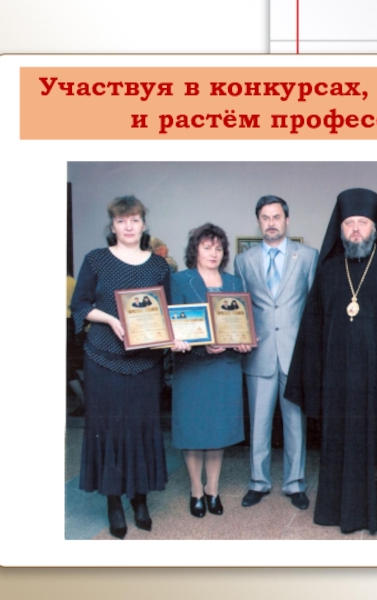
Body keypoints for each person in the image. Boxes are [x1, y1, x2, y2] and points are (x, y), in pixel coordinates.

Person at [285, 188, 377, 534]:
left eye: (362, 222)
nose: (355, 229)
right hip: (338, 380)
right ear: (339, 228)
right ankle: (337, 511)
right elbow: (312, 330)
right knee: (340, 443)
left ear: (374, 227)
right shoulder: (328, 271)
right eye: (349, 223)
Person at [70, 195, 173, 539]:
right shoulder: (96, 260)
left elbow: (166, 312)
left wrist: (177, 335)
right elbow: (80, 304)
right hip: (104, 358)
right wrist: (112, 320)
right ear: (112, 225)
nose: (128, 227)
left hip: (145, 362)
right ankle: (113, 500)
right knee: (110, 429)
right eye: (121, 221)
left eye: (134, 220)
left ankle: (140, 498)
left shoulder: (158, 266)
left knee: (142, 428)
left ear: (144, 224)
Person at [234, 195, 318, 510]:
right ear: (259, 221)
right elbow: (240, 307)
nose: (271, 223)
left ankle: (295, 483)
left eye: (276, 217)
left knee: (295, 422)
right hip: (259, 353)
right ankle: (258, 482)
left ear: (287, 220)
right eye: (265, 217)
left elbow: (313, 308)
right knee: (259, 423)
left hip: (295, 354)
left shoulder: (307, 256)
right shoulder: (244, 260)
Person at [170, 223, 251, 519]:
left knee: (217, 432)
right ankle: (196, 490)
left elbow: (242, 322)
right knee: (193, 432)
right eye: (207, 247)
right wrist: (202, 346)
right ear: (195, 250)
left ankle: (212, 490)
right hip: (192, 369)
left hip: (225, 368)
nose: (213, 253)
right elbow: (174, 326)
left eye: (218, 248)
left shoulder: (234, 282)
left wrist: (244, 341)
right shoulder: (180, 281)